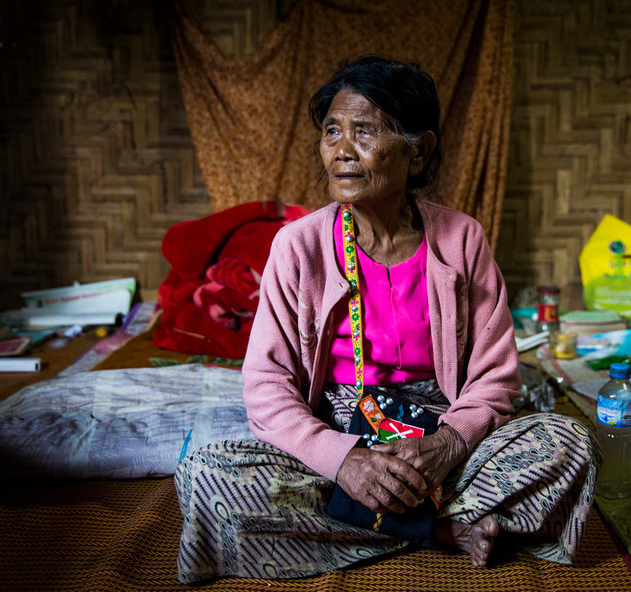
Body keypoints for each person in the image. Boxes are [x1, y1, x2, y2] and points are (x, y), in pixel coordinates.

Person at [175, 56, 600, 583]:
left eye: (364, 131)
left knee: (568, 444)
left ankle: (373, 525)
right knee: (209, 474)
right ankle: (444, 528)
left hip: (439, 434)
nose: (341, 151)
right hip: (336, 429)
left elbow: (495, 379)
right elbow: (266, 386)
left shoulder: (461, 239)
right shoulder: (299, 245)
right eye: (332, 131)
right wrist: (346, 461)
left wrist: (445, 446)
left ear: (417, 152)